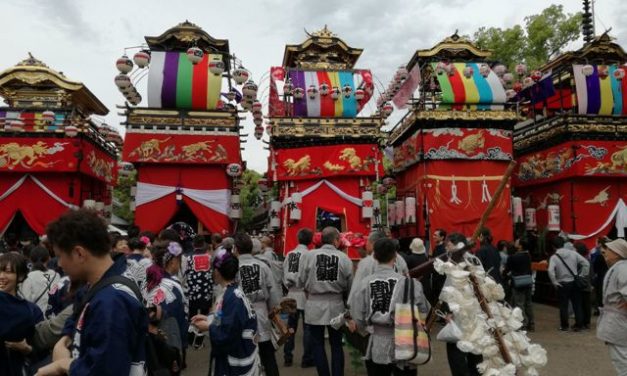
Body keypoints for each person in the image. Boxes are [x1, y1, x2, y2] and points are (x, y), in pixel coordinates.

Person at [35, 209, 147, 376]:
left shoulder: (111, 302)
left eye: (59, 256)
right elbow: (76, 315)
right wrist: (64, 340)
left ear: (79, 253)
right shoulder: (101, 284)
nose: (59, 264)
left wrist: (64, 365)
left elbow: (106, 370)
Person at [350, 238, 430, 376]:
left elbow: (358, 317)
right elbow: (424, 310)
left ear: (374, 256)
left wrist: (367, 329)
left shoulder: (365, 283)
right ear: (395, 256)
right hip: (407, 342)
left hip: (377, 343)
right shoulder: (411, 284)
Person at [191, 247, 260, 376]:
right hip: (241, 353)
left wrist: (209, 327)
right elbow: (227, 319)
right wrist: (208, 319)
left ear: (217, 272)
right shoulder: (232, 292)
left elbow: (227, 333)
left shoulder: (232, 297)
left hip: (235, 362)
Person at [299, 227, 353, 376]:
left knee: (317, 344)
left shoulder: (309, 256)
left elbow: (301, 280)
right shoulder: (344, 258)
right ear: (336, 240)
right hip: (336, 305)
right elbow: (350, 287)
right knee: (336, 345)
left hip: (314, 304)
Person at [234, 232, 281, 376]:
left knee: (244, 355)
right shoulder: (262, 266)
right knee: (267, 354)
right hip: (261, 312)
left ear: (236, 248)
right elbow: (273, 292)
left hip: (240, 314)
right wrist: (273, 310)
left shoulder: (234, 267)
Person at [442, 233, 484, 376]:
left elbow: (448, 291)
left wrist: (449, 312)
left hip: (459, 313)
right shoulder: (475, 259)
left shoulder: (454, 261)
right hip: (476, 312)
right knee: (475, 351)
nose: (446, 247)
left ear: (458, 245)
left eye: (448, 244)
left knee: (457, 353)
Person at [1, 252, 44, 376]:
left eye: (8, 272)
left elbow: (42, 351)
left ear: (20, 277)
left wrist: (26, 349)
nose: (1, 276)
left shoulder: (31, 311)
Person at [145, 241, 188, 364]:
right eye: (179, 261)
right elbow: (179, 321)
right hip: (167, 347)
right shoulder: (173, 288)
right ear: (173, 261)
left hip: (148, 344)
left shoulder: (149, 281)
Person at [282, 228, 314, 368]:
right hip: (305, 294)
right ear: (310, 240)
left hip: (291, 292)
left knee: (290, 326)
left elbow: (283, 273)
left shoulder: (290, 254)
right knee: (307, 328)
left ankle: (287, 357)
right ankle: (306, 359)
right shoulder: (310, 255)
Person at [349, 231, 408, 303]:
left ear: (373, 243)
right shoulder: (400, 259)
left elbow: (355, 293)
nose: (366, 245)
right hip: (398, 304)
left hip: (375, 306)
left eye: (367, 242)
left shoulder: (366, 262)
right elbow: (407, 280)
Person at [596, 239, 627, 375]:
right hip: (616, 318)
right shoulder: (620, 267)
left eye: (608, 249)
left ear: (616, 253)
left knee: (621, 359)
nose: (605, 252)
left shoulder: (622, 269)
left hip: (618, 319)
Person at [547, 236, 589, 331]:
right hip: (574, 282)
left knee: (563, 305)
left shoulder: (554, 257)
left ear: (553, 246)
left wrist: (554, 282)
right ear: (563, 244)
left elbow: (550, 271)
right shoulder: (573, 253)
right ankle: (579, 325)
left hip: (562, 284)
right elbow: (586, 263)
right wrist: (582, 275)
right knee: (577, 304)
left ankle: (564, 326)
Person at [182, 235, 214, 349]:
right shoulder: (210, 258)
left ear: (193, 244)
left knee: (193, 314)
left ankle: (190, 339)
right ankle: (198, 342)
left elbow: (184, 275)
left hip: (193, 292)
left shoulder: (188, 258)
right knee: (204, 315)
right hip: (206, 291)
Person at [504, 238, 535, 331]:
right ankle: (531, 323)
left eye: (517, 242)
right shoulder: (528, 256)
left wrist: (505, 274)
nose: (515, 243)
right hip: (528, 281)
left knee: (519, 303)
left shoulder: (513, 257)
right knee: (528, 303)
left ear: (520, 246)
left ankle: (523, 323)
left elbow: (507, 270)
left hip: (518, 282)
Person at [20, 246, 61, 313]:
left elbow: (26, 301)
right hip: (54, 317)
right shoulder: (57, 275)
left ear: (30, 259)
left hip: (36, 318)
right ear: (49, 258)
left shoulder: (28, 277)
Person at [574, 241, 593, 329]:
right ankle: (587, 322)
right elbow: (592, 273)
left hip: (579, 284)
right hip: (587, 284)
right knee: (586, 305)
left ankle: (580, 322)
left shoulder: (578, 261)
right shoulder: (589, 259)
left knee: (579, 305)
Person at [591, 236, 610, 315]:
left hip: (600, 276)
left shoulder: (598, 254)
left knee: (600, 294)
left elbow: (594, 267)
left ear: (600, 244)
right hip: (608, 275)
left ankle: (600, 309)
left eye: (596, 242)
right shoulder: (609, 253)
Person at [430, 229, 447, 305]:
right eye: (433, 235)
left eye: (435, 235)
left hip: (441, 280)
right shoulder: (437, 247)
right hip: (435, 278)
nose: (433, 237)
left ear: (442, 237)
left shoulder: (444, 249)